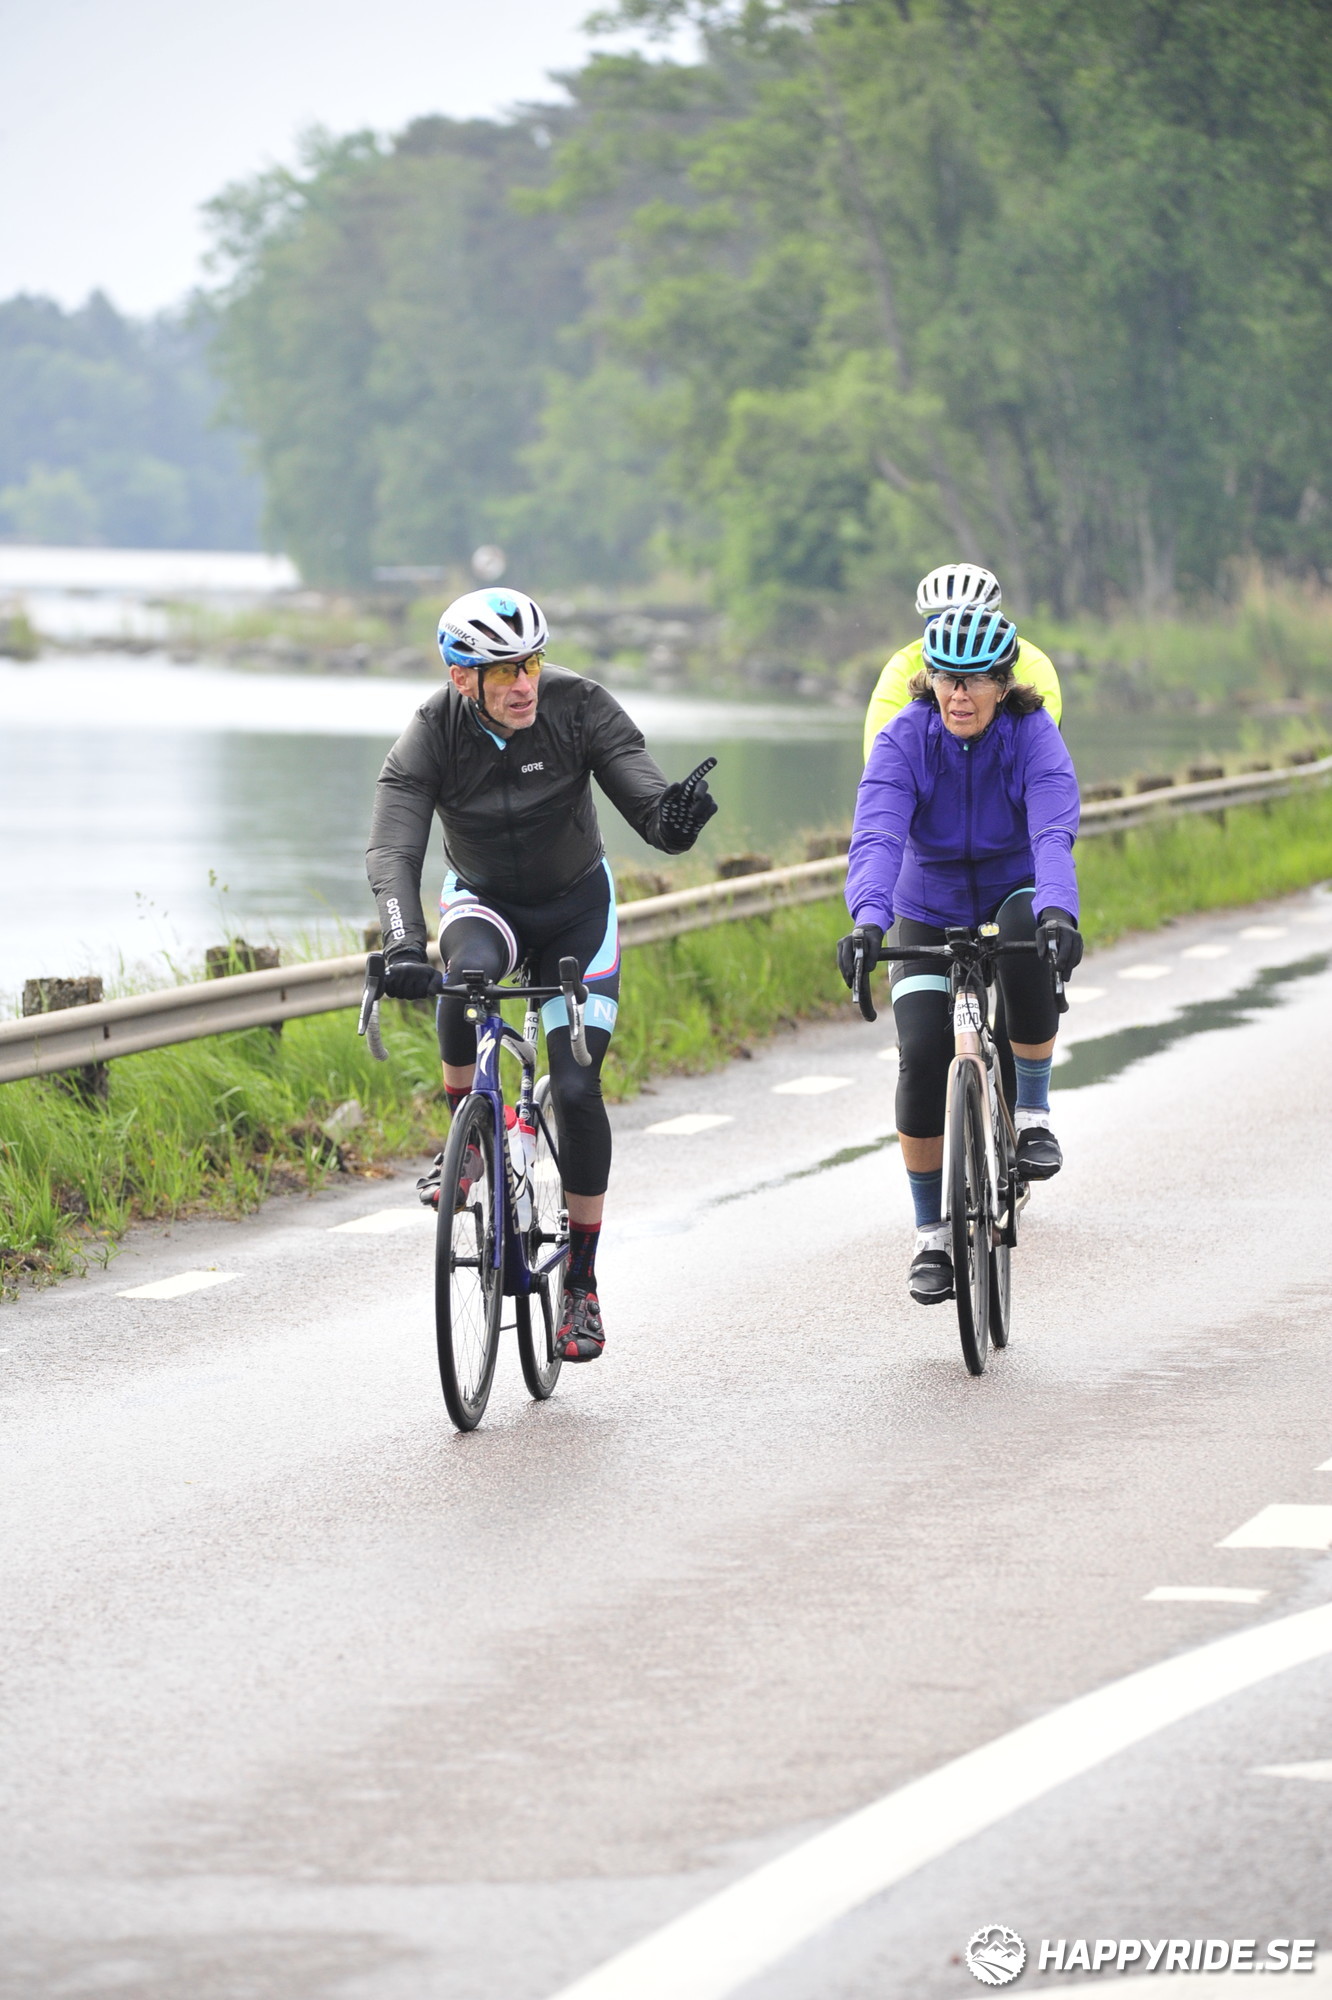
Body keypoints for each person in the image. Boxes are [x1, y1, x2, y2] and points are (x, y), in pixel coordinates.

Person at [366, 586, 718, 1361]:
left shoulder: (579, 706)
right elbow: (394, 848)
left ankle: (581, 1284)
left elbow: (647, 802)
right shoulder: (430, 733)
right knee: (462, 980)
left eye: (531, 662)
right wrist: (401, 944)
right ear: (463, 678)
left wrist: (674, 821)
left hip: (575, 912)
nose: (525, 682)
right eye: (504, 670)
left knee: (578, 1089)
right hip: (483, 900)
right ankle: (466, 1138)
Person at [838, 603, 1083, 1306]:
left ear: (1003, 684)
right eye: (947, 679)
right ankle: (931, 1235)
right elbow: (879, 837)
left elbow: (1052, 833)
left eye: (975, 681)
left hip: (1013, 885)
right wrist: (868, 923)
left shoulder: (1032, 734)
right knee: (921, 1056)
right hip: (928, 901)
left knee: (1029, 938)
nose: (959, 695)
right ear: (931, 680)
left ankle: (1031, 1114)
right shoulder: (904, 739)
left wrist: (1059, 912)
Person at [862, 562, 1062, 762]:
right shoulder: (903, 665)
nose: (955, 636)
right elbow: (880, 755)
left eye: (968, 626)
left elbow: (1041, 747)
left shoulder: (1033, 662)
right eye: (941, 623)